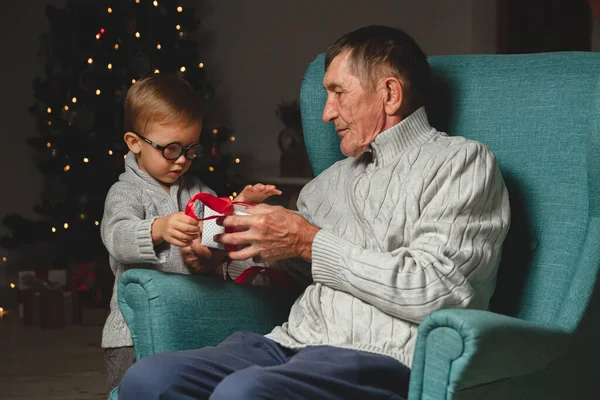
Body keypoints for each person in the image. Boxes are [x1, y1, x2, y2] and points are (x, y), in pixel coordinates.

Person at [118, 25, 511, 400]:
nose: (327, 113)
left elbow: (441, 290)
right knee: (150, 380)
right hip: (291, 343)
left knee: (245, 393)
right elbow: (293, 271)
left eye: (338, 92)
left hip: (380, 358)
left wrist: (308, 241)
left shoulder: (459, 162)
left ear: (390, 94)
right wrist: (224, 259)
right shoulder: (324, 186)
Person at [100, 73, 280, 392]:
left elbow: (215, 230)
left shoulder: (195, 189)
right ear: (135, 142)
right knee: (137, 391)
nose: (182, 160)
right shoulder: (125, 192)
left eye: (190, 149)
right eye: (170, 149)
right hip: (132, 332)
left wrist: (237, 206)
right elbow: (117, 237)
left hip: (187, 320)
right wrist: (159, 228)